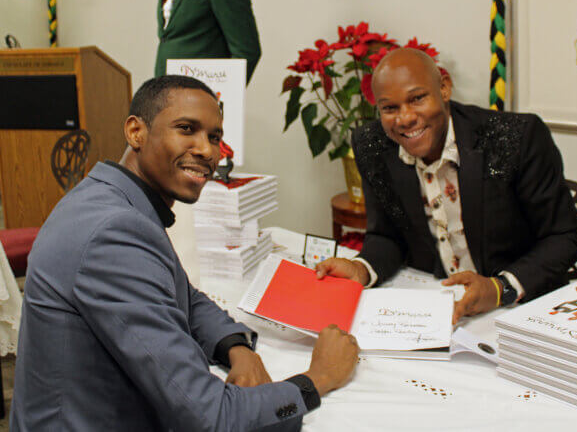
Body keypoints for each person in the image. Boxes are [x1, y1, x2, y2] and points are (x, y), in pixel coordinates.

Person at [11, 75, 359, 431]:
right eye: (186, 128)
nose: (207, 150)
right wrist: (317, 380)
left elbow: (181, 294)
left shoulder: (113, 199)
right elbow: (210, 417)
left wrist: (236, 347)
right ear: (136, 132)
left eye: (214, 137)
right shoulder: (113, 231)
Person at [317, 49, 577, 323]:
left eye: (417, 98)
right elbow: (387, 235)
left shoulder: (517, 137)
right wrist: (361, 269)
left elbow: (565, 237)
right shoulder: (372, 145)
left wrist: (499, 288)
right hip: (434, 308)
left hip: (517, 306)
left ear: (444, 88)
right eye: (390, 108)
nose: (405, 118)